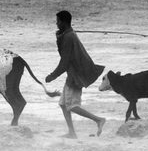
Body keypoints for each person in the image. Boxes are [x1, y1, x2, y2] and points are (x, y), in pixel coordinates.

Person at [44, 9, 106, 137]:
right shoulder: (68, 34)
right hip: (73, 74)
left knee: (72, 106)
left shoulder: (69, 37)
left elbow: (64, 62)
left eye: (58, 22)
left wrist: (52, 76)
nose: (56, 24)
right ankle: (72, 132)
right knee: (63, 104)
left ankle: (99, 120)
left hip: (76, 75)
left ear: (64, 22)